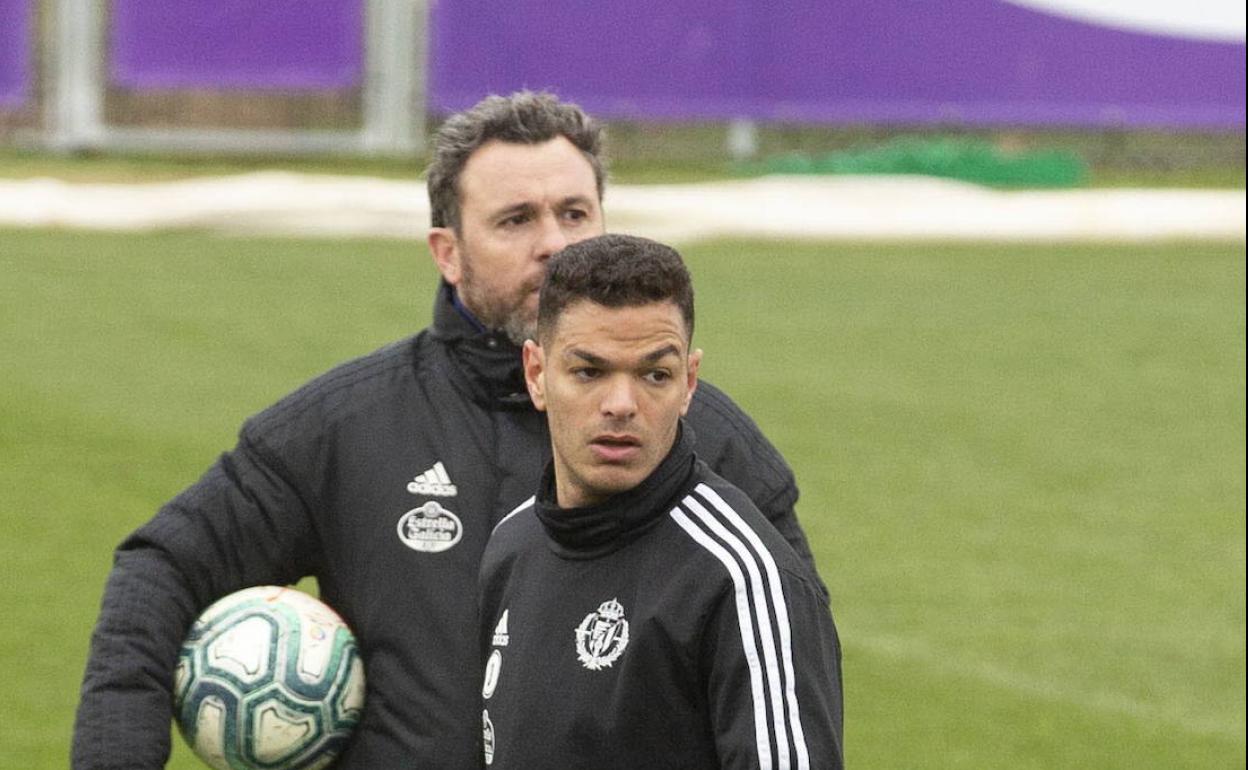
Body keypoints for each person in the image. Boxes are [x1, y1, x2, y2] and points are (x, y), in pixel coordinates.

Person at [72, 91, 823, 769]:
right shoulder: (346, 426)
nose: (554, 245)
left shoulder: (712, 443)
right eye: (516, 220)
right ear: (448, 252)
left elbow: (790, 671)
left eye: (574, 214)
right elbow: (163, 568)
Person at [479, 233, 843, 769]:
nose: (621, 404)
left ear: (689, 383)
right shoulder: (512, 547)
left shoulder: (742, 580)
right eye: (589, 371)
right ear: (536, 374)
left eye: (655, 375)